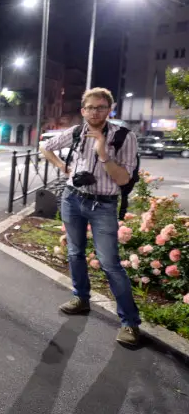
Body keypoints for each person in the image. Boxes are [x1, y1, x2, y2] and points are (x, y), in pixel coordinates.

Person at [40, 87, 142, 346]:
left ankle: (130, 323)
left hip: (104, 205)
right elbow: (45, 147)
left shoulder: (123, 137)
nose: (94, 112)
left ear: (110, 109)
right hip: (73, 199)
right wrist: (64, 167)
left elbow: (123, 179)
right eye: (90, 108)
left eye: (100, 107)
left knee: (110, 263)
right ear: (82, 110)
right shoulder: (76, 132)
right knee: (74, 253)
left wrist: (103, 152)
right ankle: (81, 298)